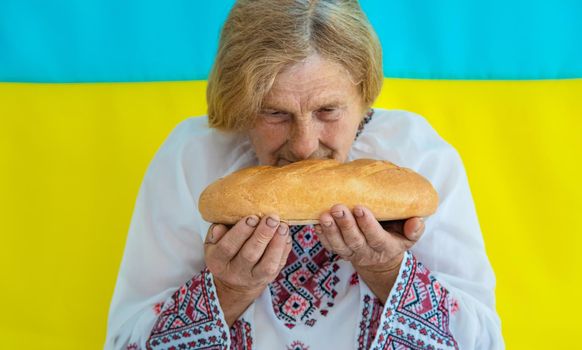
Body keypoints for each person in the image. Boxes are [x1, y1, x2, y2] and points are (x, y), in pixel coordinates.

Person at [105, 0, 504, 349]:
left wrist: (387, 272)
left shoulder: (417, 158)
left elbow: (483, 341)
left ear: (365, 97)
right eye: (274, 112)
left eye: (328, 111)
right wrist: (227, 290)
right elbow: (124, 342)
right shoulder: (190, 158)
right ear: (240, 105)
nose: (303, 145)